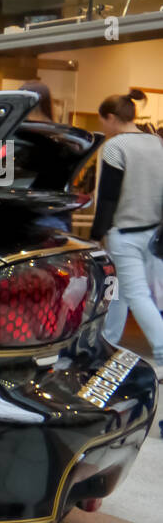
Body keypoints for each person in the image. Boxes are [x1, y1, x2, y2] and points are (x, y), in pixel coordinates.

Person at [91, 90, 163, 369]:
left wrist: (97, 234)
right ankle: (109, 343)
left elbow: (108, 197)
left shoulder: (115, 147)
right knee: (120, 293)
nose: (102, 128)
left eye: (102, 122)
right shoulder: (158, 144)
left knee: (134, 295)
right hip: (153, 234)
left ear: (111, 118)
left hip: (126, 234)